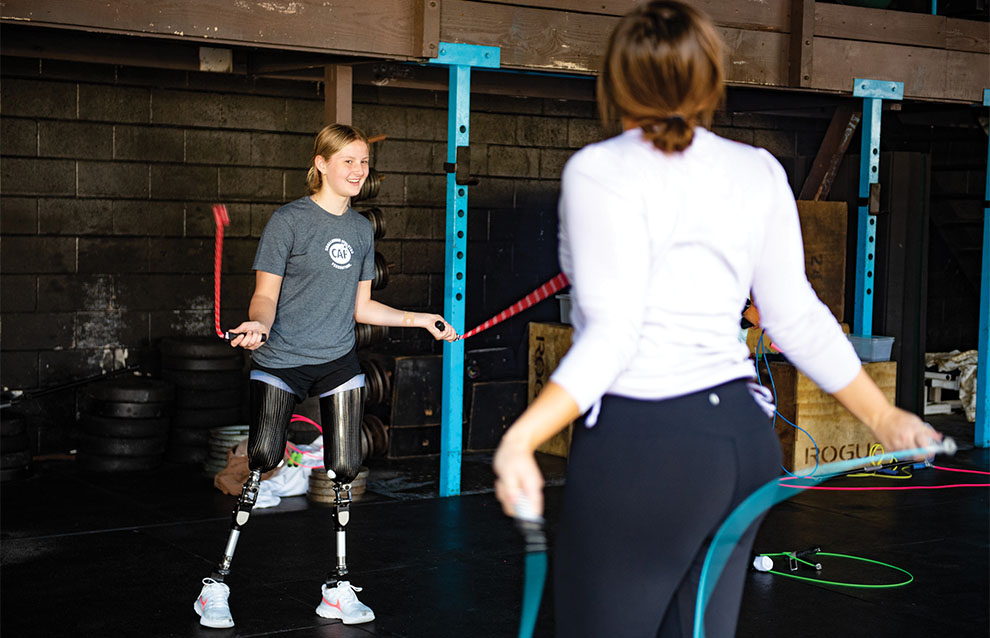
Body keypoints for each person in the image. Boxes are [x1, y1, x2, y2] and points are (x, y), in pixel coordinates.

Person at [492, 2, 943, 637]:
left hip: (645, 447)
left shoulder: (600, 171)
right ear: (709, 80)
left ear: (616, 80)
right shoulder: (756, 170)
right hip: (738, 442)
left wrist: (521, 438)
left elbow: (616, 335)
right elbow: (797, 317)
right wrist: (884, 416)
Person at [193, 123, 457, 629]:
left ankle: (337, 588)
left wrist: (420, 320)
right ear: (321, 164)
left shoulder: (360, 230)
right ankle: (216, 586)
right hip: (282, 358)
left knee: (346, 467)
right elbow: (265, 295)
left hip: (337, 359)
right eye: (348, 162)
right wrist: (259, 326)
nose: (358, 171)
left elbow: (360, 307)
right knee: (265, 458)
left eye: (364, 162)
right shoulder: (288, 221)